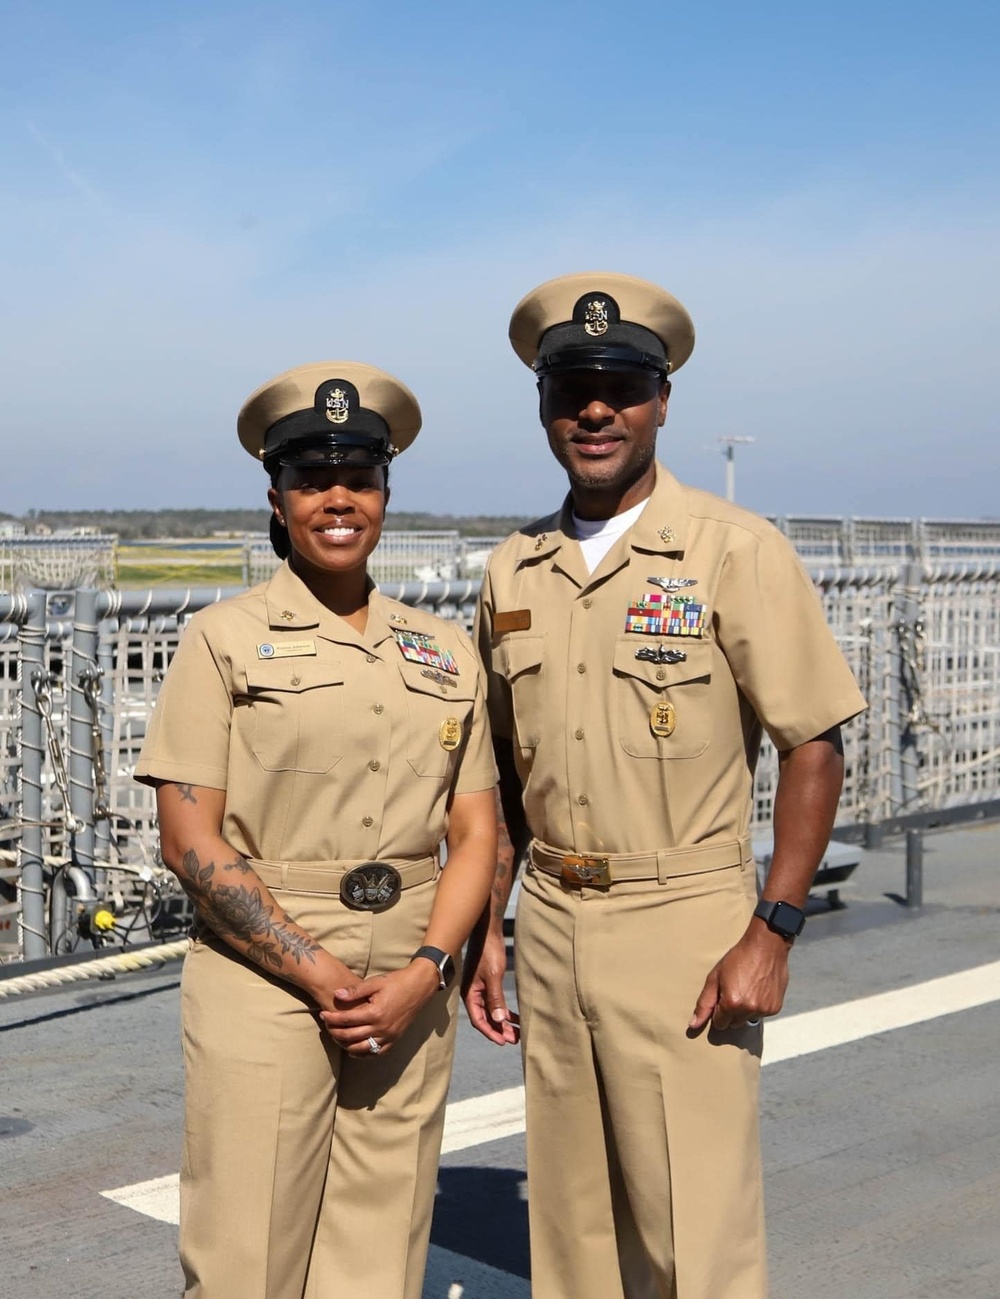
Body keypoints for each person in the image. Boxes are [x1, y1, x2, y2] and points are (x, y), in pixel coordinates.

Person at [463, 272, 867, 1299]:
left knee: (695, 1231)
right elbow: (506, 773)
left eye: (620, 386)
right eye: (571, 390)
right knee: (571, 1227)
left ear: (660, 401)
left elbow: (811, 743)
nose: (594, 411)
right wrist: (490, 932)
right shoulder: (514, 569)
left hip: (685, 919)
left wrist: (770, 930)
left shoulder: (733, 552)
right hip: (551, 920)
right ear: (544, 406)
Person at [135, 360, 497, 1299]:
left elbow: (476, 831)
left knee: (380, 1254)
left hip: (411, 977)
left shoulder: (445, 647)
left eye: (360, 476)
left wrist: (423, 973)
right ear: (278, 494)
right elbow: (190, 841)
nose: (338, 498)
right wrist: (324, 975)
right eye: (311, 477)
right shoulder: (222, 639)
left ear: (386, 490)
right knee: (247, 1254)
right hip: (268, 978)